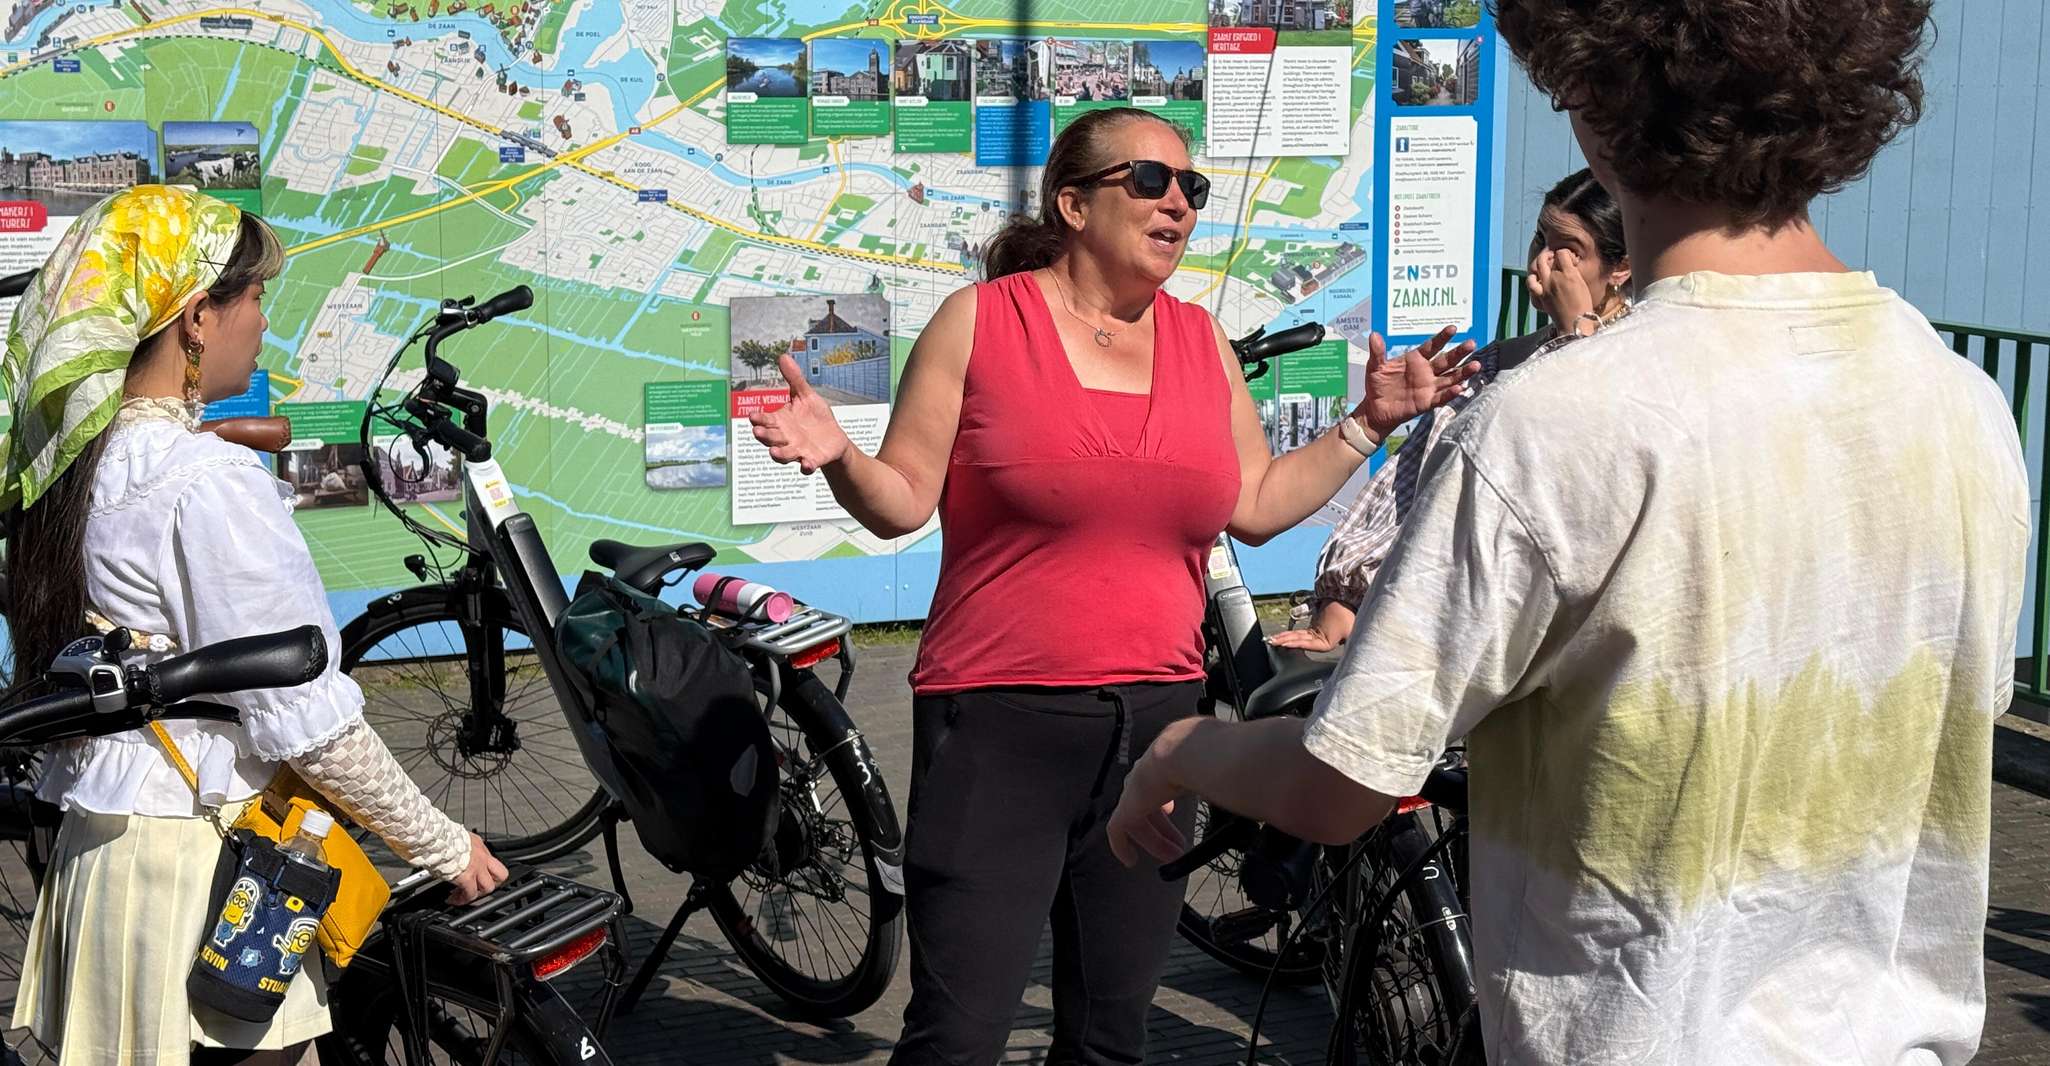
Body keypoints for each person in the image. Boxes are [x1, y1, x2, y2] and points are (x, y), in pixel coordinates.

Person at [1109, 1, 2031, 1062]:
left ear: (1591, 97)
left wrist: (1186, 744)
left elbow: (1340, 787)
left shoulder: (1553, 423)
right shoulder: (1959, 401)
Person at [747, 107, 1477, 1064]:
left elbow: (1253, 504)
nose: (1179, 202)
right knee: (959, 1036)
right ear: (1075, 204)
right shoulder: (982, 322)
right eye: (1151, 181)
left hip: (1159, 734)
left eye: (1193, 189)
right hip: (996, 725)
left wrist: (1364, 425)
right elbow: (901, 503)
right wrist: (839, 453)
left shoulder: (1201, 341)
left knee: (1109, 1037)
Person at [1, 186, 510, 1066]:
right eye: (255, 298)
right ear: (198, 317)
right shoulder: (207, 483)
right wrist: (444, 845)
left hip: (104, 861)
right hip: (206, 888)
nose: (265, 322)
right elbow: (310, 723)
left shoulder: (76, 472)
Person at [1275, 168, 1631, 653]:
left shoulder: (1636, 367)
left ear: (1620, 269)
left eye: (1568, 249)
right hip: (1425, 632)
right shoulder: (1498, 363)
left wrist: (1576, 340)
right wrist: (1344, 596)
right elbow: (1408, 489)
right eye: (1540, 238)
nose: (1543, 260)